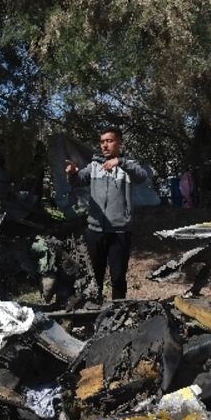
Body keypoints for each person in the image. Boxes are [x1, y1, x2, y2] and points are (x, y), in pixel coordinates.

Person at [65, 127, 149, 300]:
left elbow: (142, 176)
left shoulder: (128, 165)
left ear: (119, 142)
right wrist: (73, 174)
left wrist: (120, 162)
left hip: (119, 231)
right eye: (102, 141)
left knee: (118, 277)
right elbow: (79, 180)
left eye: (109, 141)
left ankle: (118, 312)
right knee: (94, 276)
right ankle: (93, 311)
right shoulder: (95, 165)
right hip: (95, 231)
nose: (105, 145)